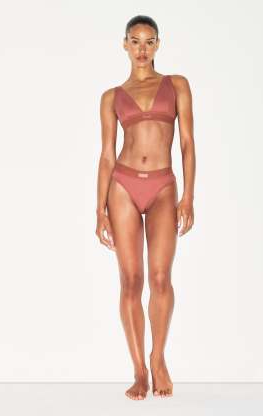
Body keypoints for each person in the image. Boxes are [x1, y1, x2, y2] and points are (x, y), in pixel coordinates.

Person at [96, 15, 195, 400]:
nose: (142, 49)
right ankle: (139, 370)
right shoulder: (111, 96)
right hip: (122, 186)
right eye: (135, 41)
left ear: (158, 45)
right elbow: (107, 155)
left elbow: (187, 143)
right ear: (124, 44)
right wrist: (99, 209)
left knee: (160, 277)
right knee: (131, 280)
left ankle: (158, 358)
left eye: (149, 41)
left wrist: (188, 196)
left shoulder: (177, 85)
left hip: (163, 186)